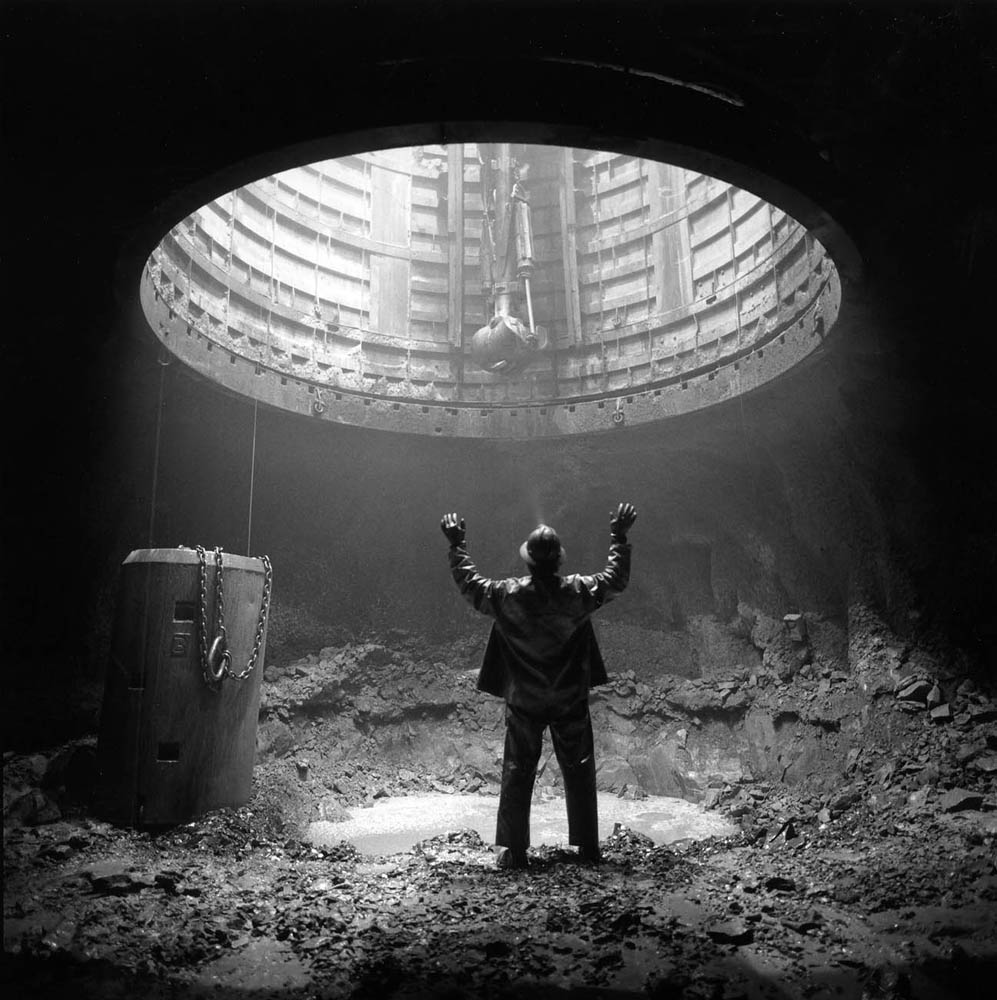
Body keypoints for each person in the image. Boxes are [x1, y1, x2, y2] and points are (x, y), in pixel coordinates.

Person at [440, 502, 637, 869]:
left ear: (528, 560)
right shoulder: (577, 592)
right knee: (579, 768)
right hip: (569, 698)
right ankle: (588, 847)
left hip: (524, 700)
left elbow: (470, 585)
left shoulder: (507, 595)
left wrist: (457, 545)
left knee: (517, 770)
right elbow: (615, 580)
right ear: (559, 560)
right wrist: (619, 537)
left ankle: (514, 850)